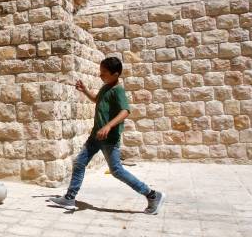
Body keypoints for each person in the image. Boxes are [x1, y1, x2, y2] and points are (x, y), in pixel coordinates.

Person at [49, 57, 165, 214]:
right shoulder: (106, 88)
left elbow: (125, 111)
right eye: (100, 72)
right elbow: (97, 99)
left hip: (109, 139)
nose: (100, 75)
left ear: (115, 74)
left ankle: (152, 195)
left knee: (116, 170)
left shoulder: (118, 90)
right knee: (79, 162)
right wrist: (85, 91)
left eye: (103, 73)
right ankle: (70, 198)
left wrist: (109, 126)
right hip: (95, 137)